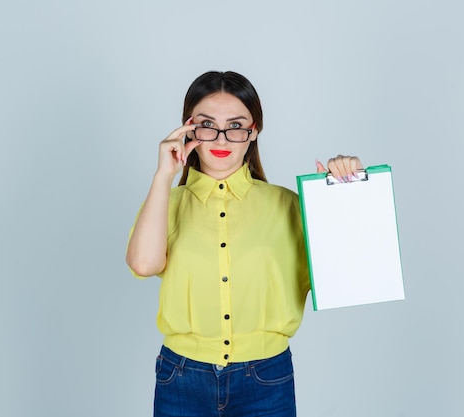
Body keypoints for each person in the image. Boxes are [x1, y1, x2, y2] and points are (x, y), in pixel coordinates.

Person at [126, 71, 363, 417]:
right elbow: (144, 264)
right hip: (181, 378)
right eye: (207, 124)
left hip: (265, 379)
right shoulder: (166, 202)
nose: (222, 138)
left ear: (253, 132)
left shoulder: (289, 205)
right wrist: (163, 175)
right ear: (188, 129)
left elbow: (350, 272)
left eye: (236, 125)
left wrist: (347, 193)